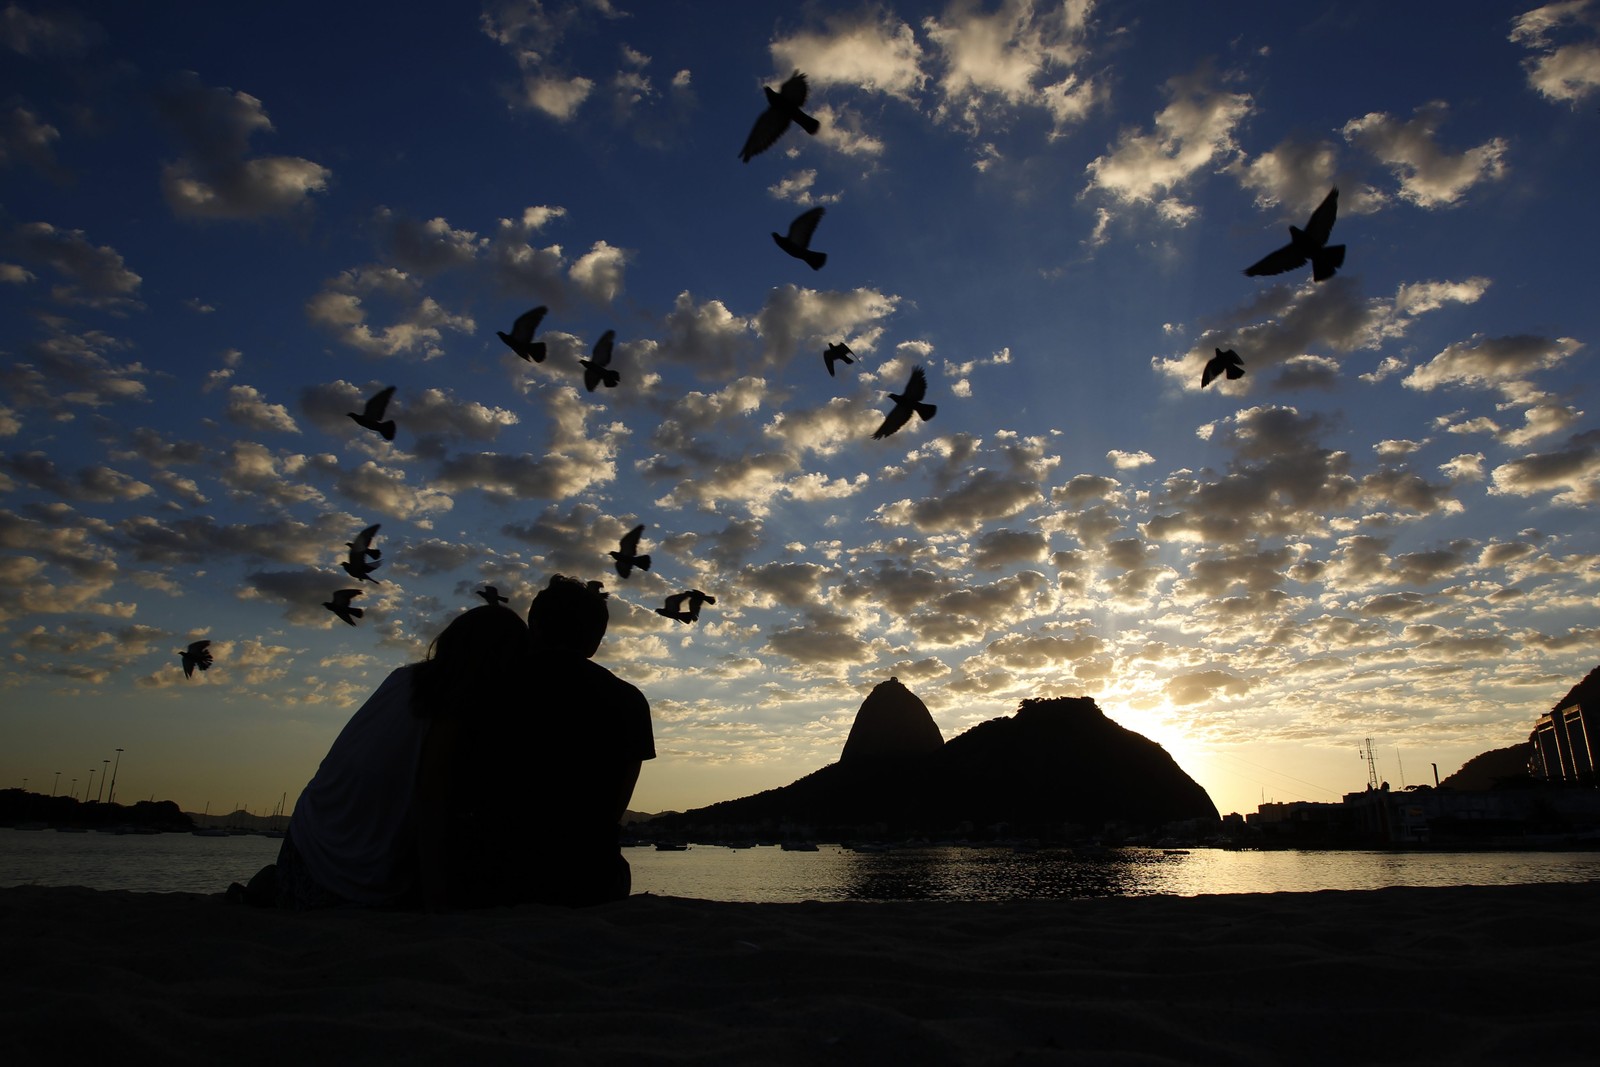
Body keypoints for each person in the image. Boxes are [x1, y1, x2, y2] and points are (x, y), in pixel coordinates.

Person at [272, 604, 531, 910]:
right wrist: (439, 903)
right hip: (346, 882)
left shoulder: (401, 680)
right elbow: (430, 803)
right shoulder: (454, 709)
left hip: (299, 844)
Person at [448, 575, 655, 907]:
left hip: (493, 873)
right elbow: (613, 808)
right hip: (590, 877)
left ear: (534, 625)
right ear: (596, 641)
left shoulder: (487, 689)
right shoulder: (629, 701)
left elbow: (458, 787)